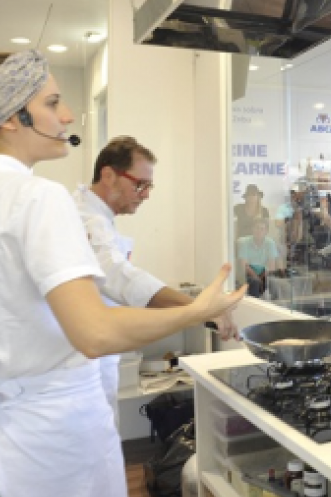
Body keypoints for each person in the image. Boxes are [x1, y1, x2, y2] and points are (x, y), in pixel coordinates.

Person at [0, 50, 244, 497]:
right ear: (9, 117)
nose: (66, 117)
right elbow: (95, 332)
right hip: (41, 455)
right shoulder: (37, 197)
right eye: (53, 102)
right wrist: (196, 309)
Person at [73, 136, 237, 413]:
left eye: (150, 186)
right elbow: (116, 274)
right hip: (77, 368)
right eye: (140, 184)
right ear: (109, 175)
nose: (146, 194)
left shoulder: (95, 215)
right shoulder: (87, 220)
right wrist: (199, 308)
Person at [237, 218, 283, 298]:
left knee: (274, 283)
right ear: (252, 229)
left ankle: (275, 307)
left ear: (266, 232)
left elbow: (271, 266)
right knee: (254, 282)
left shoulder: (270, 243)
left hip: (264, 273)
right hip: (248, 274)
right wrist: (257, 277)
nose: (259, 231)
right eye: (257, 228)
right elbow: (244, 265)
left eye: (262, 229)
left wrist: (261, 277)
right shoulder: (243, 242)